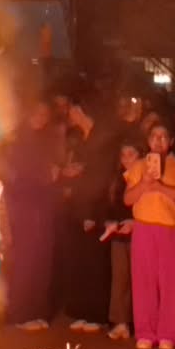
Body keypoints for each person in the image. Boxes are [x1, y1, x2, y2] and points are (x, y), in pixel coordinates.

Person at [123, 121, 175, 349]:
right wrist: (144, 183)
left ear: (171, 141)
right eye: (154, 136)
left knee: (171, 281)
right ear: (148, 140)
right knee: (144, 281)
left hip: (171, 228)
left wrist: (162, 187)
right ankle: (145, 331)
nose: (158, 140)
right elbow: (127, 199)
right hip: (144, 228)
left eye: (164, 137)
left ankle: (168, 334)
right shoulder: (139, 166)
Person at [0, 98, 63, 329]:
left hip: (43, 208)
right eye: (37, 112)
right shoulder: (14, 140)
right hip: (22, 208)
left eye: (45, 113)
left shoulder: (47, 140)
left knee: (42, 260)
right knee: (24, 261)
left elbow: (53, 169)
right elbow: (9, 174)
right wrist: (42, 176)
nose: (41, 117)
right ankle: (20, 314)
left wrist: (55, 173)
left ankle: (38, 311)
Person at [54, 99, 110, 331]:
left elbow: (102, 178)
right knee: (82, 262)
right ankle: (83, 311)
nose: (70, 114)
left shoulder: (103, 139)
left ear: (81, 110)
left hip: (94, 209)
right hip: (77, 208)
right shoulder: (82, 138)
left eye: (73, 110)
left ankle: (96, 314)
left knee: (95, 263)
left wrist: (90, 213)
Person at [103, 142, 140, 340]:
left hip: (139, 235)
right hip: (118, 235)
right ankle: (120, 322)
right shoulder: (116, 180)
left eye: (131, 153)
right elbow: (109, 206)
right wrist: (110, 222)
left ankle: (138, 321)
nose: (127, 158)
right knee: (120, 278)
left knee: (138, 279)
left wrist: (135, 222)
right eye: (123, 154)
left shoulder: (144, 178)